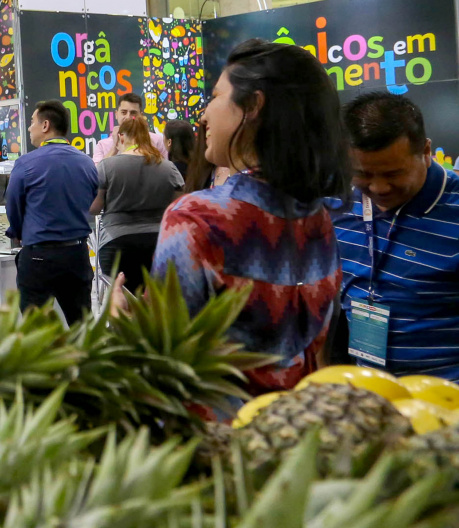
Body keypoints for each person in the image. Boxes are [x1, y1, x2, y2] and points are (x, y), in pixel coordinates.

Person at [113, 39, 350, 397]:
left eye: (214, 96)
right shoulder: (318, 217)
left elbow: (160, 364)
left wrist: (124, 322)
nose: (204, 114)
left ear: (253, 105)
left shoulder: (197, 218)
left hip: (222, 436)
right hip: (297, 428)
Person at [332, 92, 459, 380]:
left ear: (426, 152)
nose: (379, 188)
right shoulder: (336, 203)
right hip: (369, 391)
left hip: (447, 401)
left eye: (394, 173)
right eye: (363, 174)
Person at [6, 100, 98, 325]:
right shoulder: (87, 163)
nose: (29, 128)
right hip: (77, 254)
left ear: (45, 125)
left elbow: (13, 204)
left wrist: (16, 232)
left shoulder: (26, 164)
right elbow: (91, 198)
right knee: (81, 326)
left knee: (37, 333)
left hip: (39, 256)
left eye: (32, 122)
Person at [90, 116, 184, 293]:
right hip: (158, 243)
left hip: (116, 242)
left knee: (121, 306)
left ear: (121, 137)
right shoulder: (168, 167)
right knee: (154, 306)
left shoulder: (107, 166)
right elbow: (180, 207)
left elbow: (94, 207)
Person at [93, 93, 168, 163]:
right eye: (124, 112)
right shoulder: (102, 145)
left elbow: (166, 169)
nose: (128, 117)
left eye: (133, 113)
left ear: (141, 116)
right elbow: (96, 174)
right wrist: (114, 148)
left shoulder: (157, 141)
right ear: (116, 114)